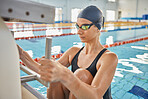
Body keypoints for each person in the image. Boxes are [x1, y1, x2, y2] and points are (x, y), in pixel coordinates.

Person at [17, 5, 118, 99]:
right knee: (56, 77)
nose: (79, 31)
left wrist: (65, 75)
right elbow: (45, 72)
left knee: (81, 74)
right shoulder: (73, 52)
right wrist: (22, 54)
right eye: (78, 26)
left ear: (98, 27)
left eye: (85, 27)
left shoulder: (108, 58)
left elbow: (96, 95)